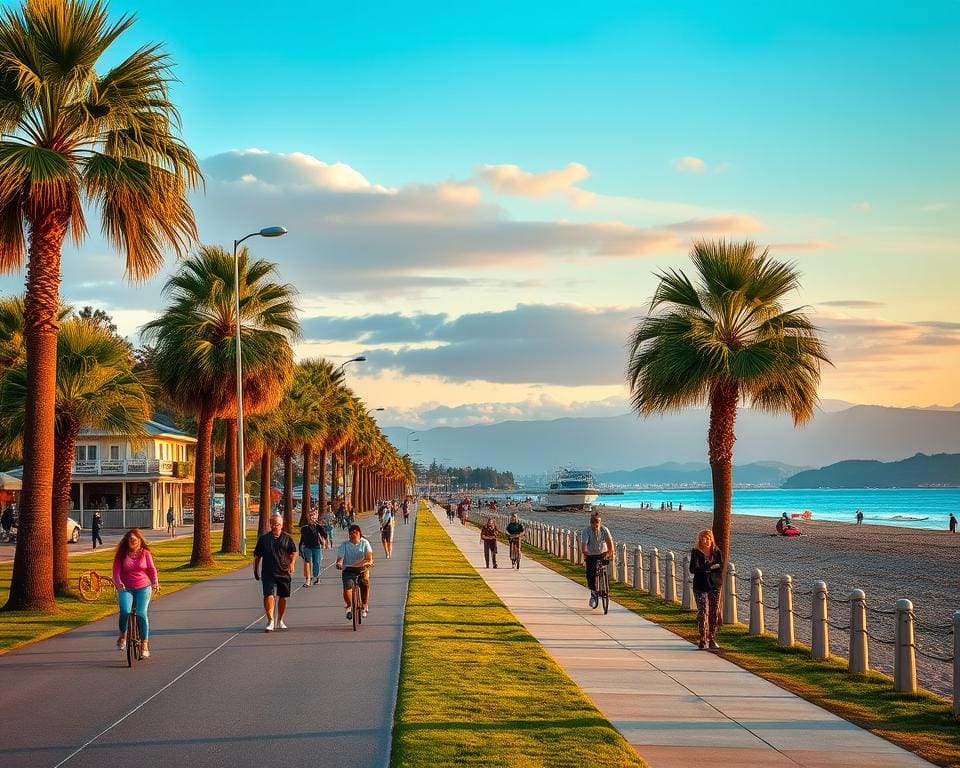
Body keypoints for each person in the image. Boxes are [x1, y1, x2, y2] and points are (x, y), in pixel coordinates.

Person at [112, 528, 160, 657]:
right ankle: (123, 636)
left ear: (139, 540)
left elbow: (151, 569)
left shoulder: (145, 553)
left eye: (135, 539)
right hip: (125, 588)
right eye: (130, 540)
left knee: (141, 613)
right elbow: (116, 572)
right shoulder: (121, 555)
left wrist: (155, 582)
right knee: (125, 611)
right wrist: (118, 582)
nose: (133, 542)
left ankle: (144, 644)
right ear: (127, 541)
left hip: (143, 587)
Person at [253, 514, 297, 631]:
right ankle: (270, 620)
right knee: (268, 594)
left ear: (281, 525)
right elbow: (257, 556)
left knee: (283, 597)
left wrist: (292, 564)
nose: (274, 526)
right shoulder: (264, 539)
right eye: (272, 524)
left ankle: (280, 620)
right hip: (268, 572)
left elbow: (293, 552)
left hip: (283, 571)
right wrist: (256, 570)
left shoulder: (287, 538)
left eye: (277, 524)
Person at [689, 529, 724, 650]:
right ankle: (703, 637)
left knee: (713, 612)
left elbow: (720, 566)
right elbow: (693, 569)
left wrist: (705, 568)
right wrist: (709, 567)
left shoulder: (716, 552)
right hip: (700, 585)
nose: (706, 541)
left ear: (711, 539)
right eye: (703, 539)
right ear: (700, 540)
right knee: (703, 611)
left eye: (708, 538)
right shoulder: (696, 552)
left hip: (714, 585)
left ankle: (712, 637)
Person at [336, 524, 374, 620]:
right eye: (351, 533)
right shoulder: (344, 545)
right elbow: (340, 558)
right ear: (349, 535)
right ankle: (349, 605)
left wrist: (368, 563)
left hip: (362, 569)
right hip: (348, 570)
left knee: (364, 583)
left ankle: (364, 605)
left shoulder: (365, 543)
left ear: (360, 534)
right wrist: (339, 563)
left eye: (356, 532)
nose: (353, 534)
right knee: (347, 587)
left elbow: (369, 558)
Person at [580, 513, 614, 609]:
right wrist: (585, 554)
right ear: (590, 523)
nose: (596, 524)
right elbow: (583, 546)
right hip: (590, 554)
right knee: (590, 573)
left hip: (602, 553)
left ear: (600, 522)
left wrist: (611, 553)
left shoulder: (604, 530)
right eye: (593, 522)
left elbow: (609, 542)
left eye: (598, 522)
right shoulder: (586, 531)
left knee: (603, 570)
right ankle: (594, 592)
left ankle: (604, 588)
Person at [299, 512, 324, 586]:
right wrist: (300, 549)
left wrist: (319, 526)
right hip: (307, 547)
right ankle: (308, 579)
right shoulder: (304, 528)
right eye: (310, 517)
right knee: (307, 562)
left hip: (316, 547)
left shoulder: (318, 527)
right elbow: (302, 539)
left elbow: (324, 535)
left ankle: (316, 577)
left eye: (313, 517)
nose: (311, 519)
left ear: (316, 518)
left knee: (316, 562)